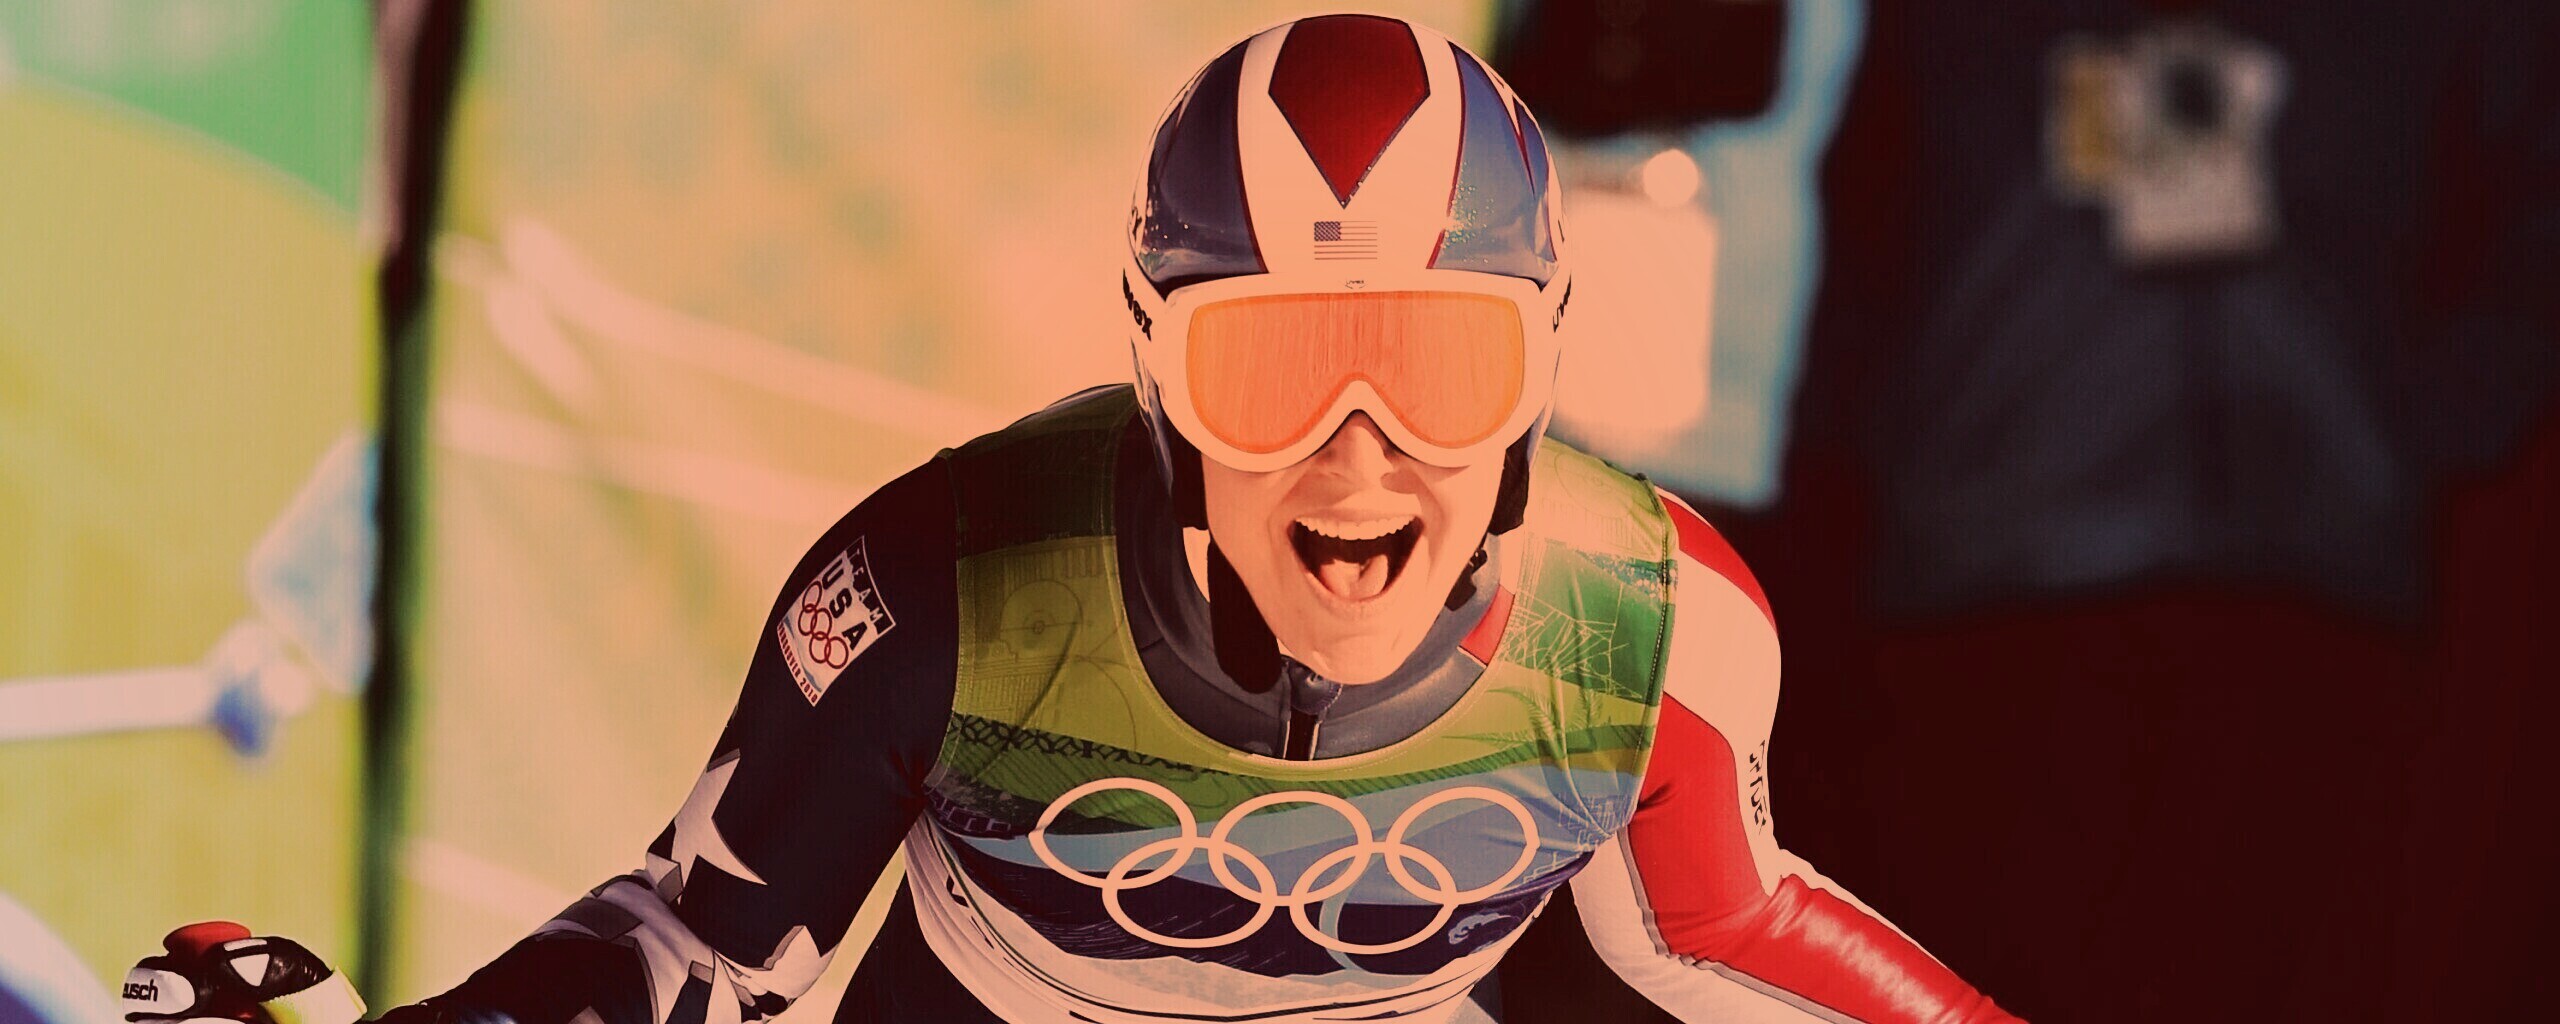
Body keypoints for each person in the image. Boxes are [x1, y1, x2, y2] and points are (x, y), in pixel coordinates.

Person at [128, 15, 2020, 1024]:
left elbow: (1728, 931)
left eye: (1440, 369)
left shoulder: (1656, 623)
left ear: (1541, 376)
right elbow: (701, 956)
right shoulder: (943, 584)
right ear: (1155, 380)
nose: (1359, 456)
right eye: (1274, 371)